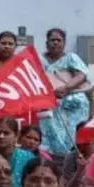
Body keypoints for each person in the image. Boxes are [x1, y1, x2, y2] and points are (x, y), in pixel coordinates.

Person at [39, 28, 90, 158]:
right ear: (46, 43)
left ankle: (74, 159)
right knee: (50, 138)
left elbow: (82, 75)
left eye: (59, 40)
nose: (55, 43)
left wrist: (66, 88)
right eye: (52, 40)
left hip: (72, 106)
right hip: (49, 105)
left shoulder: (71, 58)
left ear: (64, 43)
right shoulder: (39, 59)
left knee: (73, 137)